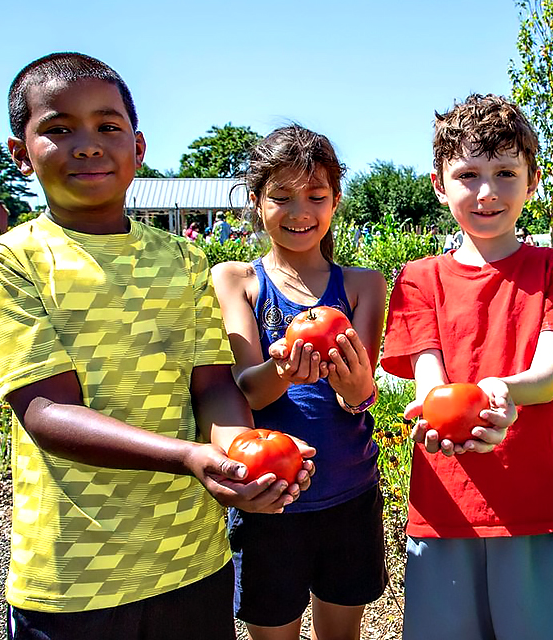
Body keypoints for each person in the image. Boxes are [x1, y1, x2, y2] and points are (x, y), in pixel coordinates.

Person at [0, 52, 314, 640]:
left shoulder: (183, 258)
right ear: (20, 153)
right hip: (77, 573)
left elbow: (212, 386)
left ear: (139, 146)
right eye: (59, 129)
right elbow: (46, 411)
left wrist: (244, 455)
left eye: (108, 126)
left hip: (194, 559)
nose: (87, 145)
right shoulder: (12, 260)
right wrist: (188, 457)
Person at [381, 94, 553, 640]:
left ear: (533, 182)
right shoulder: (418, 279)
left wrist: (496, 392)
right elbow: (431, 381)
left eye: (506, 173)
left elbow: (549, 375)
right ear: (439, 185)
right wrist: (440, 416)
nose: (487, 192)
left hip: (534, 503)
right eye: (468, 175)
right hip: (445, 507)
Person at [211, 124, 388, 640]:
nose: (299, 211)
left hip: (349, 491)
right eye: (281, 196)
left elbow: (360, 396)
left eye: (315, 195)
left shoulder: (363, 285)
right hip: (269, 493)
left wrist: (354, 389)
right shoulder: (237, 280)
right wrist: (284, 370)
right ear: (256, 201)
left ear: (335, 201)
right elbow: (248, 390)